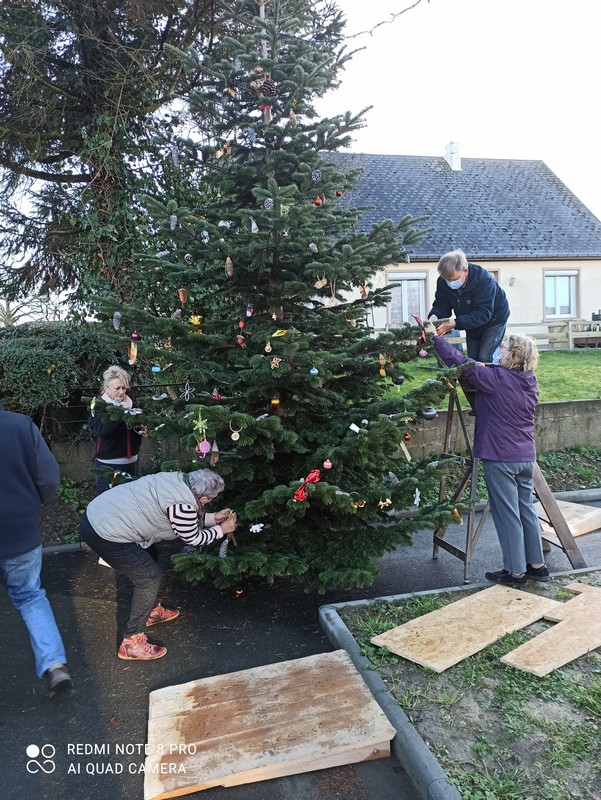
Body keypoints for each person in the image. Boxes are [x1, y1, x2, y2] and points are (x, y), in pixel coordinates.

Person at [428, 324, 549, 588]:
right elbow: (487, 369)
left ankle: (515, 571)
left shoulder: (494, 381)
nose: (499, 350)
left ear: (512, 355)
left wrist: (435, 340)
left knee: (508, 515)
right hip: (526, 456)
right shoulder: (530, 381)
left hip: (500, 457)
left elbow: (460, 363)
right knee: (526, 510)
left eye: (503, 347)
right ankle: (536, 566)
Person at [79, 468, 237, 660]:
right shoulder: (182, 507)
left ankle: (151, 611)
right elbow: (194, 538)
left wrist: (212, 518)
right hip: (103, 532)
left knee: (150, 553)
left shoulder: (178, 479)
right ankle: (131, 642)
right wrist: (222, 530)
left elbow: (183, 516)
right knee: (148, 576)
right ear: (204, 499)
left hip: (100, 512)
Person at [0, 403, 72, 695]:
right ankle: (55, 665)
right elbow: (49, 477)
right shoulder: (20, 425)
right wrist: (32, 504)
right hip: (21, 530)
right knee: (30, 597)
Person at [427, 249, 510, 362]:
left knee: (485, 357)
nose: (450, 282)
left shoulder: (484, 280)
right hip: (470, 320)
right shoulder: (443, 281)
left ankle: (493, 378)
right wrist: (433, 318)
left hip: (494, 320)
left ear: (465, 271)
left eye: (454, 279)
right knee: (472, 360)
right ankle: (474, 379)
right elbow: (442, 304)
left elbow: (483, 314)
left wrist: (455, 323)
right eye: (447, 279)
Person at [89, 365, 147, 494]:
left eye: (123, 388)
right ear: (106, 388)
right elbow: (101, 431)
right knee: (109, 505)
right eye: (117, 388)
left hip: (133, 462)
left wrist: (142, 430)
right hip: (108, 465)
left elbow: (135, 427)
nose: (121, 392)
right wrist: (119, 413)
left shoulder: (130, 403)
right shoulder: (98, 406)